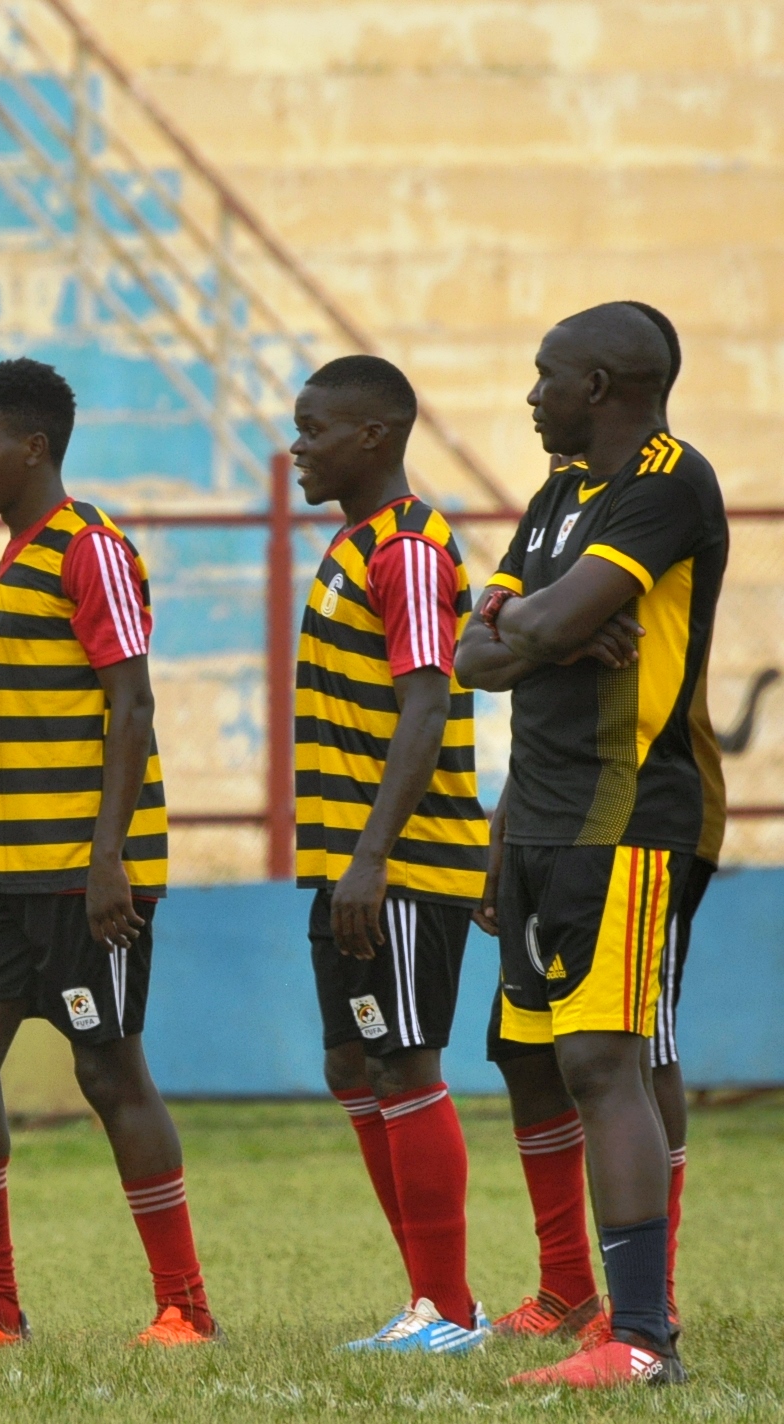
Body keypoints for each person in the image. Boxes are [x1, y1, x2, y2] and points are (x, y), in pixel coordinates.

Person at [455, 302, 728, 1389]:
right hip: (538, 808)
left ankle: (642, 1335)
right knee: (534, 1051)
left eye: (543, 376)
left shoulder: (667, 480)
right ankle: (585, 1296)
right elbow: (475, 649)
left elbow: (536, 624)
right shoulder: (559, 493)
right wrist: (538, 629)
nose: (531, 396)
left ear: (602, 384)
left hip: (631, 813)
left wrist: (534, 626)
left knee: (604, 1056)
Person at [0, 358, 218, 1352]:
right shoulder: (20, 552)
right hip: (7, 866)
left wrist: (107, 856)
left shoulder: (88, 547)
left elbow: (129, 701)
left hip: (88, 874)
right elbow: (64, 715)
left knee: (108, 1070)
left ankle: (183, 1305)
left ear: (31, 447)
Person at [289, 356, 491, 1353]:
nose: (296, 446)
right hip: (345, 863)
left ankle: (447, 1307)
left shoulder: (408, 548)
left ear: (369, 435)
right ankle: (424, 1294)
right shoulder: (351, 542)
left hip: (396, 862)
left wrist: (372, 853)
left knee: (404, 1059)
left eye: (312, 428)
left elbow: (428, 698)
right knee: (350, 1061)